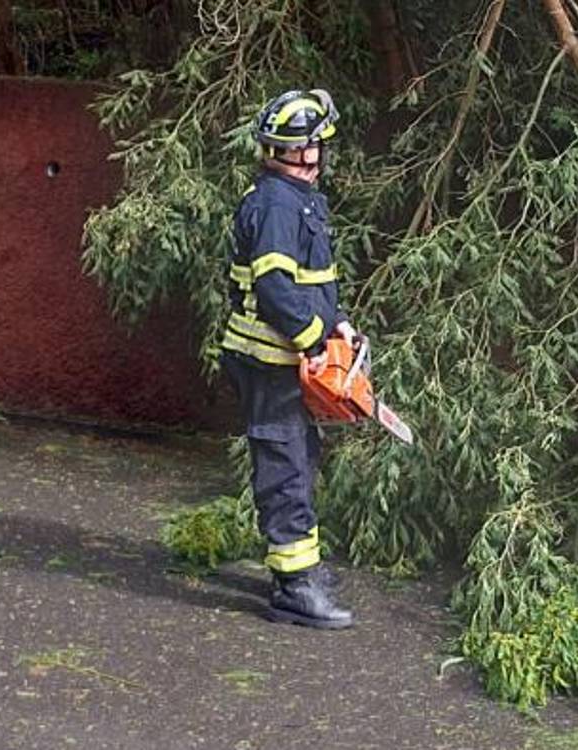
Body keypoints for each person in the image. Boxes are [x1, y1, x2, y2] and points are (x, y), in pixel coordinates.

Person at [220, 88, 358, 630]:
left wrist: (337, 322)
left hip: (284, 360)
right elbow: (276, 290)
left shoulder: (296, 199)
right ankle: (293, 588)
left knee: (300, 458)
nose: (319, 155)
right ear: (304, 150)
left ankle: (302, 569)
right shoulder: (277, 204)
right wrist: (315, 340)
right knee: (284, 467)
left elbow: (311, 282)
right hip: (269, 360)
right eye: (317, 145)